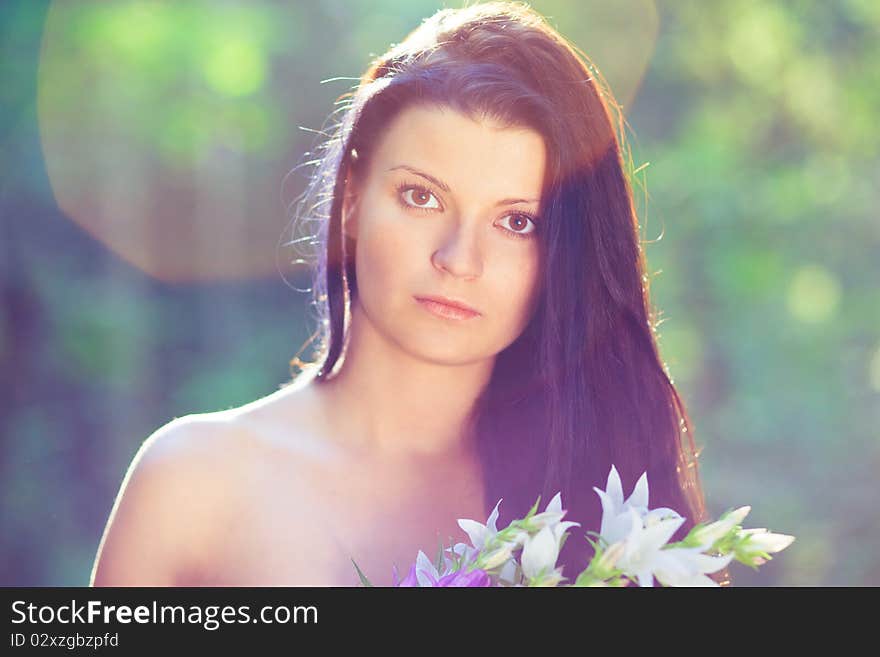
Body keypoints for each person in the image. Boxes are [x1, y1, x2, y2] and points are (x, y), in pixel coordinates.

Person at [90, 1, 731, 587]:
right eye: (421, 197)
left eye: (517, 221)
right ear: (349, 203)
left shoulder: (606, 512)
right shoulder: (193, 482)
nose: (459, 260)